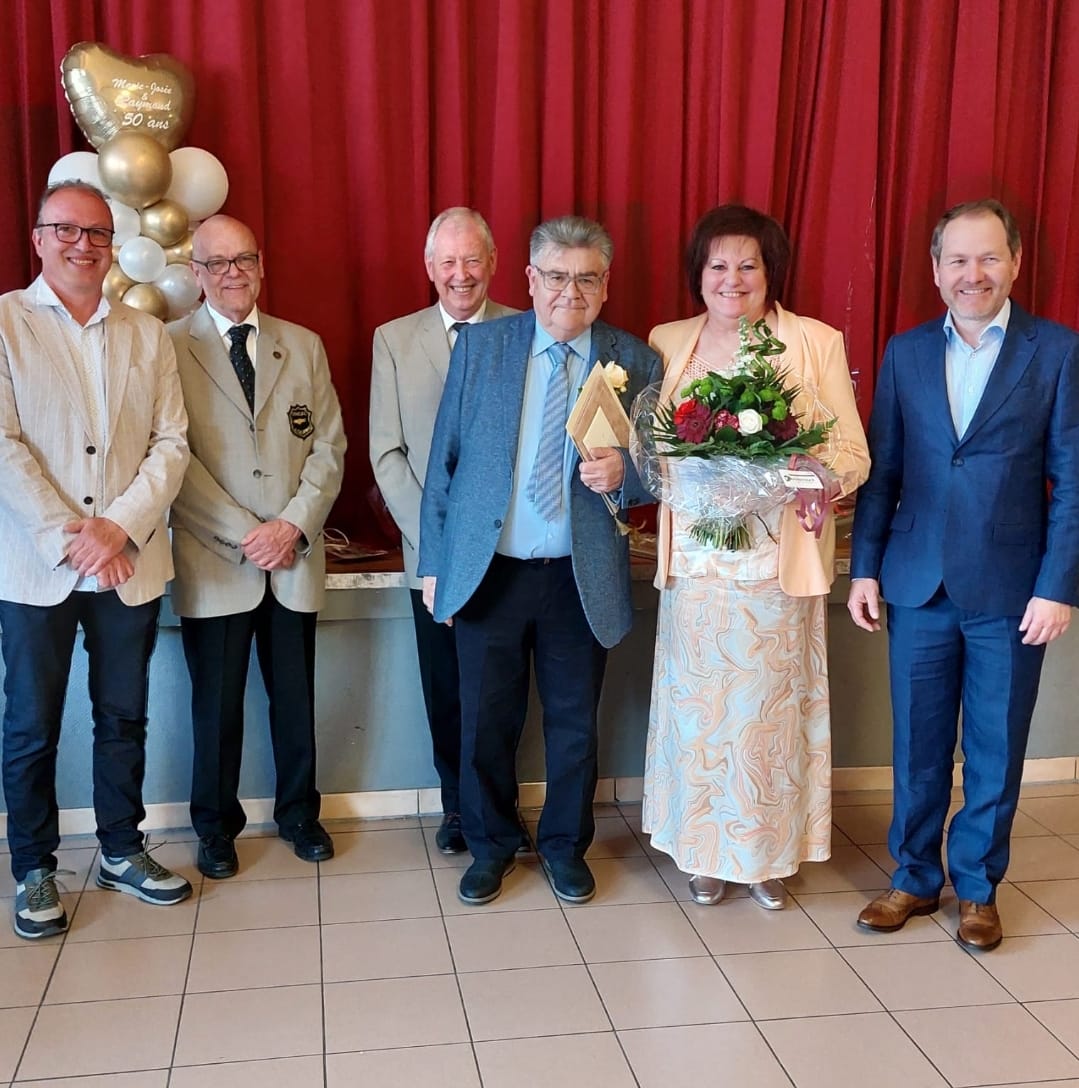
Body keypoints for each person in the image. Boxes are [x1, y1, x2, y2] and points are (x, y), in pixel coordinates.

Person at [848, 198, 1079, 951]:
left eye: (987, 258)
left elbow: (1073, 479)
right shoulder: (904, 351)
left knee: (993, 742)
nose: (971, 274)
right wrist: (863, 570)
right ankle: (913, 877)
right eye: (956, 259)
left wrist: (1057, 585)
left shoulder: (1056, 351)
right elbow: (883, 471)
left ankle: (976, 886)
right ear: (935, 269)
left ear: (1013, 262)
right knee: (916, 742)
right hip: (914, 582)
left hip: (1012, 589)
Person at [418, 215, 661, 905]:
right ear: (528, 279)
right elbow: (445, 464)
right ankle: (491, 844)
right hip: (489, 572)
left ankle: (562, 846)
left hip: (578, 580)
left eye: (585, 278)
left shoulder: (634, 360)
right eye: (555, 276)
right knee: (484, 722)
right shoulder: (482, 347)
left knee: (573, 725)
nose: (569, 292)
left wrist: (628, 476)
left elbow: (656, 472)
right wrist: (434, 563)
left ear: (605, 284)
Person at [643, 204, 870, 910]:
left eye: (748, 265)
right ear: (697, 273)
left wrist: (813, 478)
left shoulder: (812, 342)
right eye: (717, 265)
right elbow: (648, 448)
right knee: (702, 721)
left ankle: (766, 858)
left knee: (766, 723)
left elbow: (850, 454)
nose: (731, 278)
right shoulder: (665, 341)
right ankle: (704, 855)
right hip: (699, 573)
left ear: (771, 272)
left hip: (775, 569)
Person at [0, 181, 192, 939]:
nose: (84, 245)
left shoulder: (146, 335)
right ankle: (35, 868)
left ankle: (121, 848)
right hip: (34, 568)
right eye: (68, 230)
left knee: (124, 717)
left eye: (99, 234)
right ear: (40, 236)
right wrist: (70, 538)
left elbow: (171, 443)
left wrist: (116, 528)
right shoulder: (6, 324)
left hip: (127, 563)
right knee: (30, 724)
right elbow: (5, 447)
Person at [168, 214, 346, 880]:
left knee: (294, 698)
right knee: (215, 708)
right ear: (195, 274)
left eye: (242, 259)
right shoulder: (167, 345)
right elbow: (171, 459)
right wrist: (246, 530)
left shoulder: (302, 345)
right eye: (215, 263)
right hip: (215, 559)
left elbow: (329, 445)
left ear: (261, 265)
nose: (231, 273)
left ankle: (300, 813)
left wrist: (292, 525)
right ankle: (214, 827)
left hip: (292, 556)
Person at [370, 207, 518, 855]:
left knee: (505, 693)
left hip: (507, 552)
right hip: (429, 556)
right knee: (446, 689)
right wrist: (439, 544)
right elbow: (386, 455)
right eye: (447, 262)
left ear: (492, 262)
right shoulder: (393, 341)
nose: (460, 274)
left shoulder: (524, 331)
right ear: (429, 268)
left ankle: (501, 810)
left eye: (472, 260)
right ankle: (458, 809)